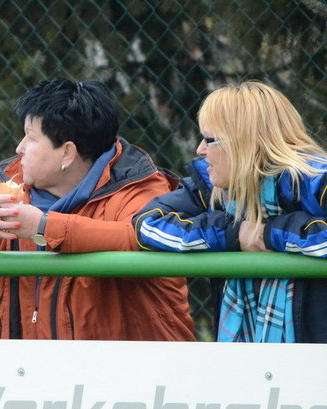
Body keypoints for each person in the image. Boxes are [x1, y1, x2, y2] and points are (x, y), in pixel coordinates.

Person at [0, 79, 196, 341]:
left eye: (31, 138)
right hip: (23, 364)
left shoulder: (140, 190)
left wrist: (43, 226)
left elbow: (141, 239)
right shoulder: (17, 188)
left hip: (131, 365)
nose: (19, 148)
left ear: (67, 153)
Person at [133, 81, 327, 343]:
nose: (200, 150)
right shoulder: (211, 186)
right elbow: (146, 224)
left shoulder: (314, 180)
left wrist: (270, 234)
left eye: (209, 139)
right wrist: (234, 234)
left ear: (244, 143)